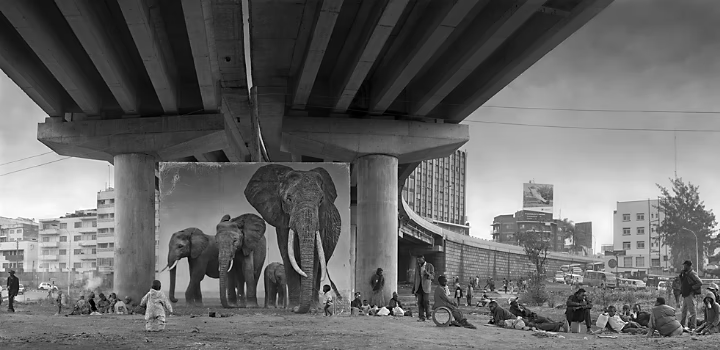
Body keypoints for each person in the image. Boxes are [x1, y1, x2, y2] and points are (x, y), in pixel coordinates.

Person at [679, 260, 703, 331]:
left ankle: (693, 326)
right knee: (684, 311)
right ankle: (682, 325)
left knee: (692, 311)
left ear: (688, 266)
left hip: (689, 294)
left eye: (685, 265)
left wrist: (691, 288)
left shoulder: (692, 273)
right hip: (685, 295)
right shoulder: (686, 273)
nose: (684, 267)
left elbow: (700, 282)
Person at [411, 255, 434, 322]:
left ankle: (428, 315)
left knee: (426, 302)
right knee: (420, 302)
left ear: (423, 259)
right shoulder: (417, 267)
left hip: (426, 287)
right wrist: (414, 289)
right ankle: (421, 317)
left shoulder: (429, 266)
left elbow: (432, 276)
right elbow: (415, 278)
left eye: (420, 260)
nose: (419, 261)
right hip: (418, 287)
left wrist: (427, 273)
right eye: (418, 260)